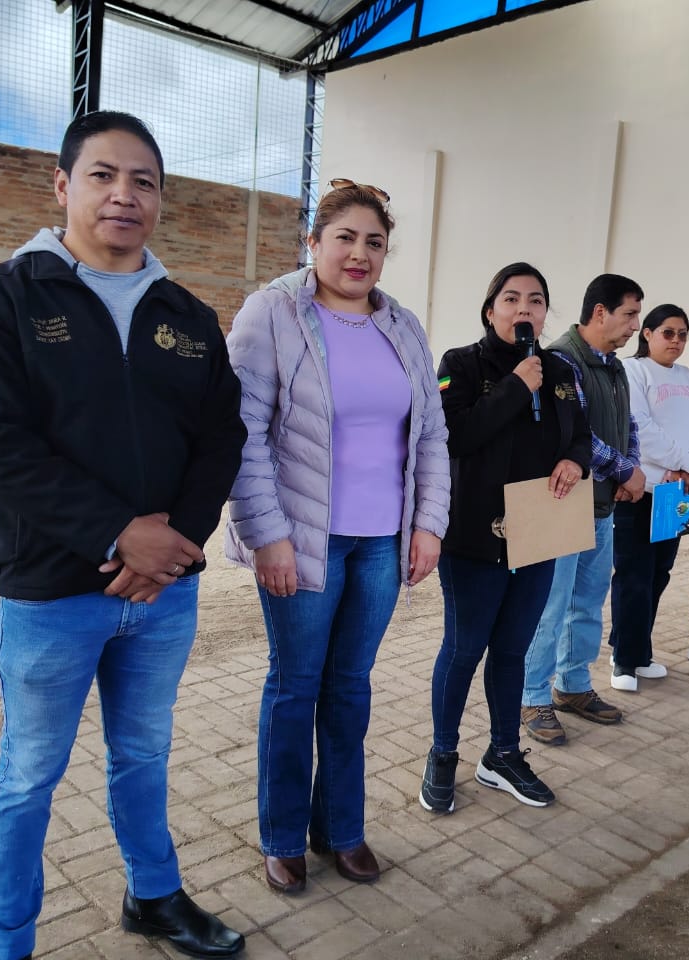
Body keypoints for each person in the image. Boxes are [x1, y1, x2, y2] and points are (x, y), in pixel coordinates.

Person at [0, 112, 247, 960]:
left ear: (160, 199)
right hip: (51, 594)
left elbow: (221, 437)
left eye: (143, 181)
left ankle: (154, 896)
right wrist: (117, 534)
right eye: (103, 175)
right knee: (28, 776)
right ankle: (7, 940)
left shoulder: (189, 317)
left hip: (162, 596)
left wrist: (175, 541)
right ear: (62, 186)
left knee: (143, 754)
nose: (124, 195)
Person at [225, 179, 450, 895]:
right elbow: (241, 434)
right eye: (345, 238)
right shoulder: (272, 313)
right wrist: (267, 536)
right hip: (303, 538)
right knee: (295, 689)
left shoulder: (402, 326)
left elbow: (432, 436)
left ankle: (341, 830)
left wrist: (429, 524)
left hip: (381, 543)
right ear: (313, 242)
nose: (359, 254)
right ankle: (282, 836)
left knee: (350, 689)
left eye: (374, 243)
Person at [420, 263, 590, 814]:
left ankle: (503, 754)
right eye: (512, 298)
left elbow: (582, 434)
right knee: (464, 649)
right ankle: (443, 753)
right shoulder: (460, 364)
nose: (524, 309)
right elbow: (454, 435)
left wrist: (575, 460)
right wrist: (517, 386)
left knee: (513, 649)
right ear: (490, 309)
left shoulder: (560, 369)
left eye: (535, 300)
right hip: (475, 534)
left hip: (539, 532)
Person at [520, 274, 644, 745]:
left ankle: (572, 685)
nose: (635, 325)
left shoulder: (614, 367)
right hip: (562, 504)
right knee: (549, 608)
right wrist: (624, 470)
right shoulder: (561, 361)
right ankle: (532, 696)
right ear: (600, 312)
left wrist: (630, 467)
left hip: (600, 505)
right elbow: (572, 434)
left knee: (588, 603)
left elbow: (628, 423)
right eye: (630, 314)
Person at [608, 304, 689, 691]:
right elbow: (639, 426)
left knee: (659, 574)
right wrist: (685, 462)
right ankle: (624, 661)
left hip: (679, 494)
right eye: (668, 333)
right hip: (642, 491)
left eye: (683, 334)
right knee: (633, 577)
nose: (676, 340)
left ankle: (639, 651)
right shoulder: (632, 371)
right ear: (648, 334)